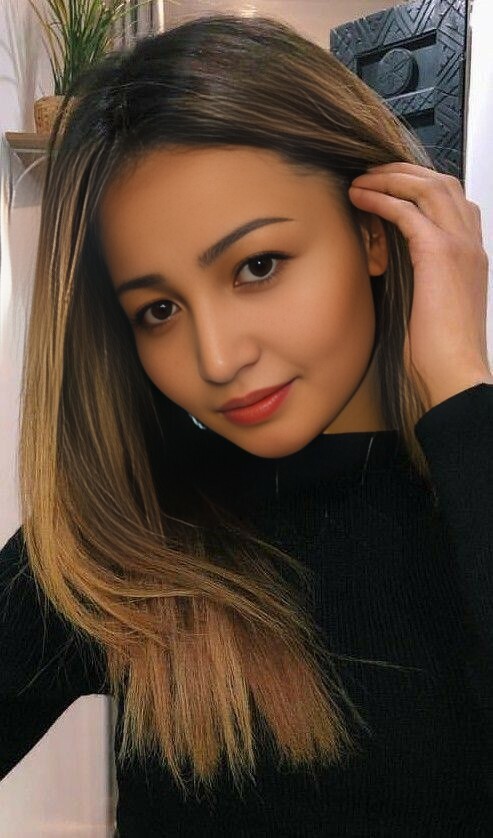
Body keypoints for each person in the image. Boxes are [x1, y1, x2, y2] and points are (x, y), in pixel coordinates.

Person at [1, 13, 492, 837]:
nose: (218, 357)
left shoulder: (469, 491)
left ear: (374, 235)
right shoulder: (128, 544)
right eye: (158, 310)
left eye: (257, 266)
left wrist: (460, 382)